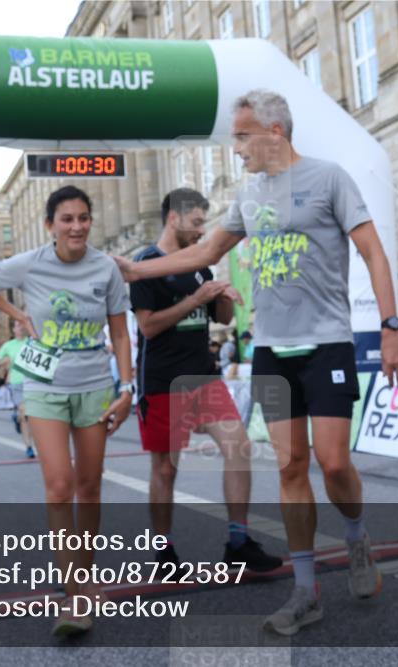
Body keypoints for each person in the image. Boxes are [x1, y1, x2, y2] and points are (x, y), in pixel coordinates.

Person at [115, 89, 398, 636]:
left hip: (327, 344)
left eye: (243, 135)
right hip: (272, 351)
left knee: (335, 463)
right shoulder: (249, 195)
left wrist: (391, 328)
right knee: (291, 467)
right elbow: (205, 253)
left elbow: (372, 251)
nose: (236, 148)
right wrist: (137, 272)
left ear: (275, 131)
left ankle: (356, 535)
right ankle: (305, 591)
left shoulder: (329, 178)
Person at [0, 185, 134, 637]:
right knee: (59, 486)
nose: (77, 226)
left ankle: (87, 571)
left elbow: (120, 334)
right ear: (50, 225)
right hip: (43, 386)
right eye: (67, 219)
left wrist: (128, 385)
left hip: (96, 386)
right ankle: (75, 591)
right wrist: (16, 315)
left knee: (90, 487)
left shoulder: (106, 268)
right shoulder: (30, 263)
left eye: (84, 217)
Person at [131, 187, 283, 575]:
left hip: (203, 377)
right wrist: (196, 299)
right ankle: (163, 553)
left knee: (239, 445)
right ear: (173, 218)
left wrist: (225, 291)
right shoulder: (146, 263)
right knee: (165, 469)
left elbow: (225, 320)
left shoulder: (202, 264)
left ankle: (238, 542)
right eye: (197, 223)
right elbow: (148, 327)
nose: (202, 232)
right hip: (162, 381)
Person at [0, 319, 37, 458]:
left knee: (31, 415)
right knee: (26, 414)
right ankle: (29, 446)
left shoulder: (32, 342)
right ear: (13, 329)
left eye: (22, 324)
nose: (20, 327)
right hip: (17, 383)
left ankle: (17, 418)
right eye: (17, 325)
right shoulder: (8, 345)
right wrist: (5, 361)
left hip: (34, 382)